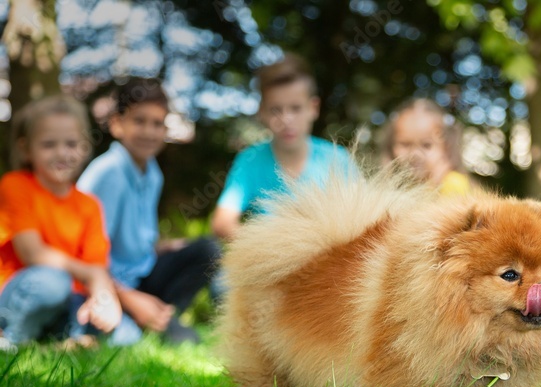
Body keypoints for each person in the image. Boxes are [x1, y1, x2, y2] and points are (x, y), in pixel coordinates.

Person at [78, 77, 219, 346]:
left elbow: (132, 243)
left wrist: (162, 248)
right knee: (123, 335)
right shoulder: (108, 173)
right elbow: (86, 257)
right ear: (117, 124)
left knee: (206, 250)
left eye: (157, 124)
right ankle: (143, 320)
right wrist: (131, 299)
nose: (149, 132)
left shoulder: (151, 172)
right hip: (103, 285)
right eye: (139, 121)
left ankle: (162, 318)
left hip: (140, 275)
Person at [0, 95, 122, 352]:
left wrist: (103, 298)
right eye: (48, 145)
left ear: (85, 147)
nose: (62, 153)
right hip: (23, 294)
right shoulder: (15, 186)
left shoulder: (89, 205)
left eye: (71, 144)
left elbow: (97, 269)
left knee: (121, 329)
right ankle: (12, 338)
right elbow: (32, 253)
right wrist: (89, 275)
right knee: (51, 283)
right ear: (25, 149)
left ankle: (50, 342)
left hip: (68, 300)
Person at [210, 53, 358, 241]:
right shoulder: (250, 160)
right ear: (262, 112)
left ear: (314, 108)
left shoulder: (338, 159)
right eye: (275, 110)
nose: (286, 120)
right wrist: (269, 246)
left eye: (295, 108)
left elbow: (357, 222)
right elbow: (222, 223)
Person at [381, 98, 472, 196]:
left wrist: (433, 189)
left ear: (446, 147)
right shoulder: (388, 188)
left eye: (426, 145)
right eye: (405, 144)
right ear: (390, 145)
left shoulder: (453, 184)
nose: (414, 154)